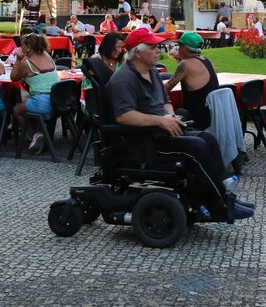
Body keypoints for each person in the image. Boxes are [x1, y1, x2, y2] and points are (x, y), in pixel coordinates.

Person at [106, 27, 253, 219]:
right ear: (138, 53)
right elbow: (123, 116)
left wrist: (170, 116)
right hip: (142, 139)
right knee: (197, 147)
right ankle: (219, 204)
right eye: (153, 47)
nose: (159, 50)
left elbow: (165, 101)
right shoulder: (124, 79)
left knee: (207, 138)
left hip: (160, 130)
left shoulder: (152, 73)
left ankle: (224, 194)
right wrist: (161, 120)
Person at [10, 33, 60, 155]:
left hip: (42, 102)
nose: (21, 48)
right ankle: (39, 134)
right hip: (57, 101)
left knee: (16, 110)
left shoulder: (27, 62)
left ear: (28, 47)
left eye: (22, 45)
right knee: (28, 104)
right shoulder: (48, 56)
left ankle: (35, 136)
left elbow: (13, 78)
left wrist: (17, 61)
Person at [164, 32, 219, 130]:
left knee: (175, 112)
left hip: (197, 119)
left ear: (184, 48)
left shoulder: (185, 64)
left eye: (179, 46)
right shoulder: (208, 61)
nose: (178, 48)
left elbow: (166, 88)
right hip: (213, 115)